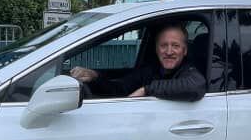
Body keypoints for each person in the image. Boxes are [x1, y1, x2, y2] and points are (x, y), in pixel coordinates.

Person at [69, 23, 206, 102]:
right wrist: (95, 76)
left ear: (185, 50)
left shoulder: (189, 69)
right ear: (156, 49)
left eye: (175, 46)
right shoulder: (150, 70)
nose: (169, 51)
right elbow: (120, 89)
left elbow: (196, 86)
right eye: (163, 45)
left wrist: (146, 90)